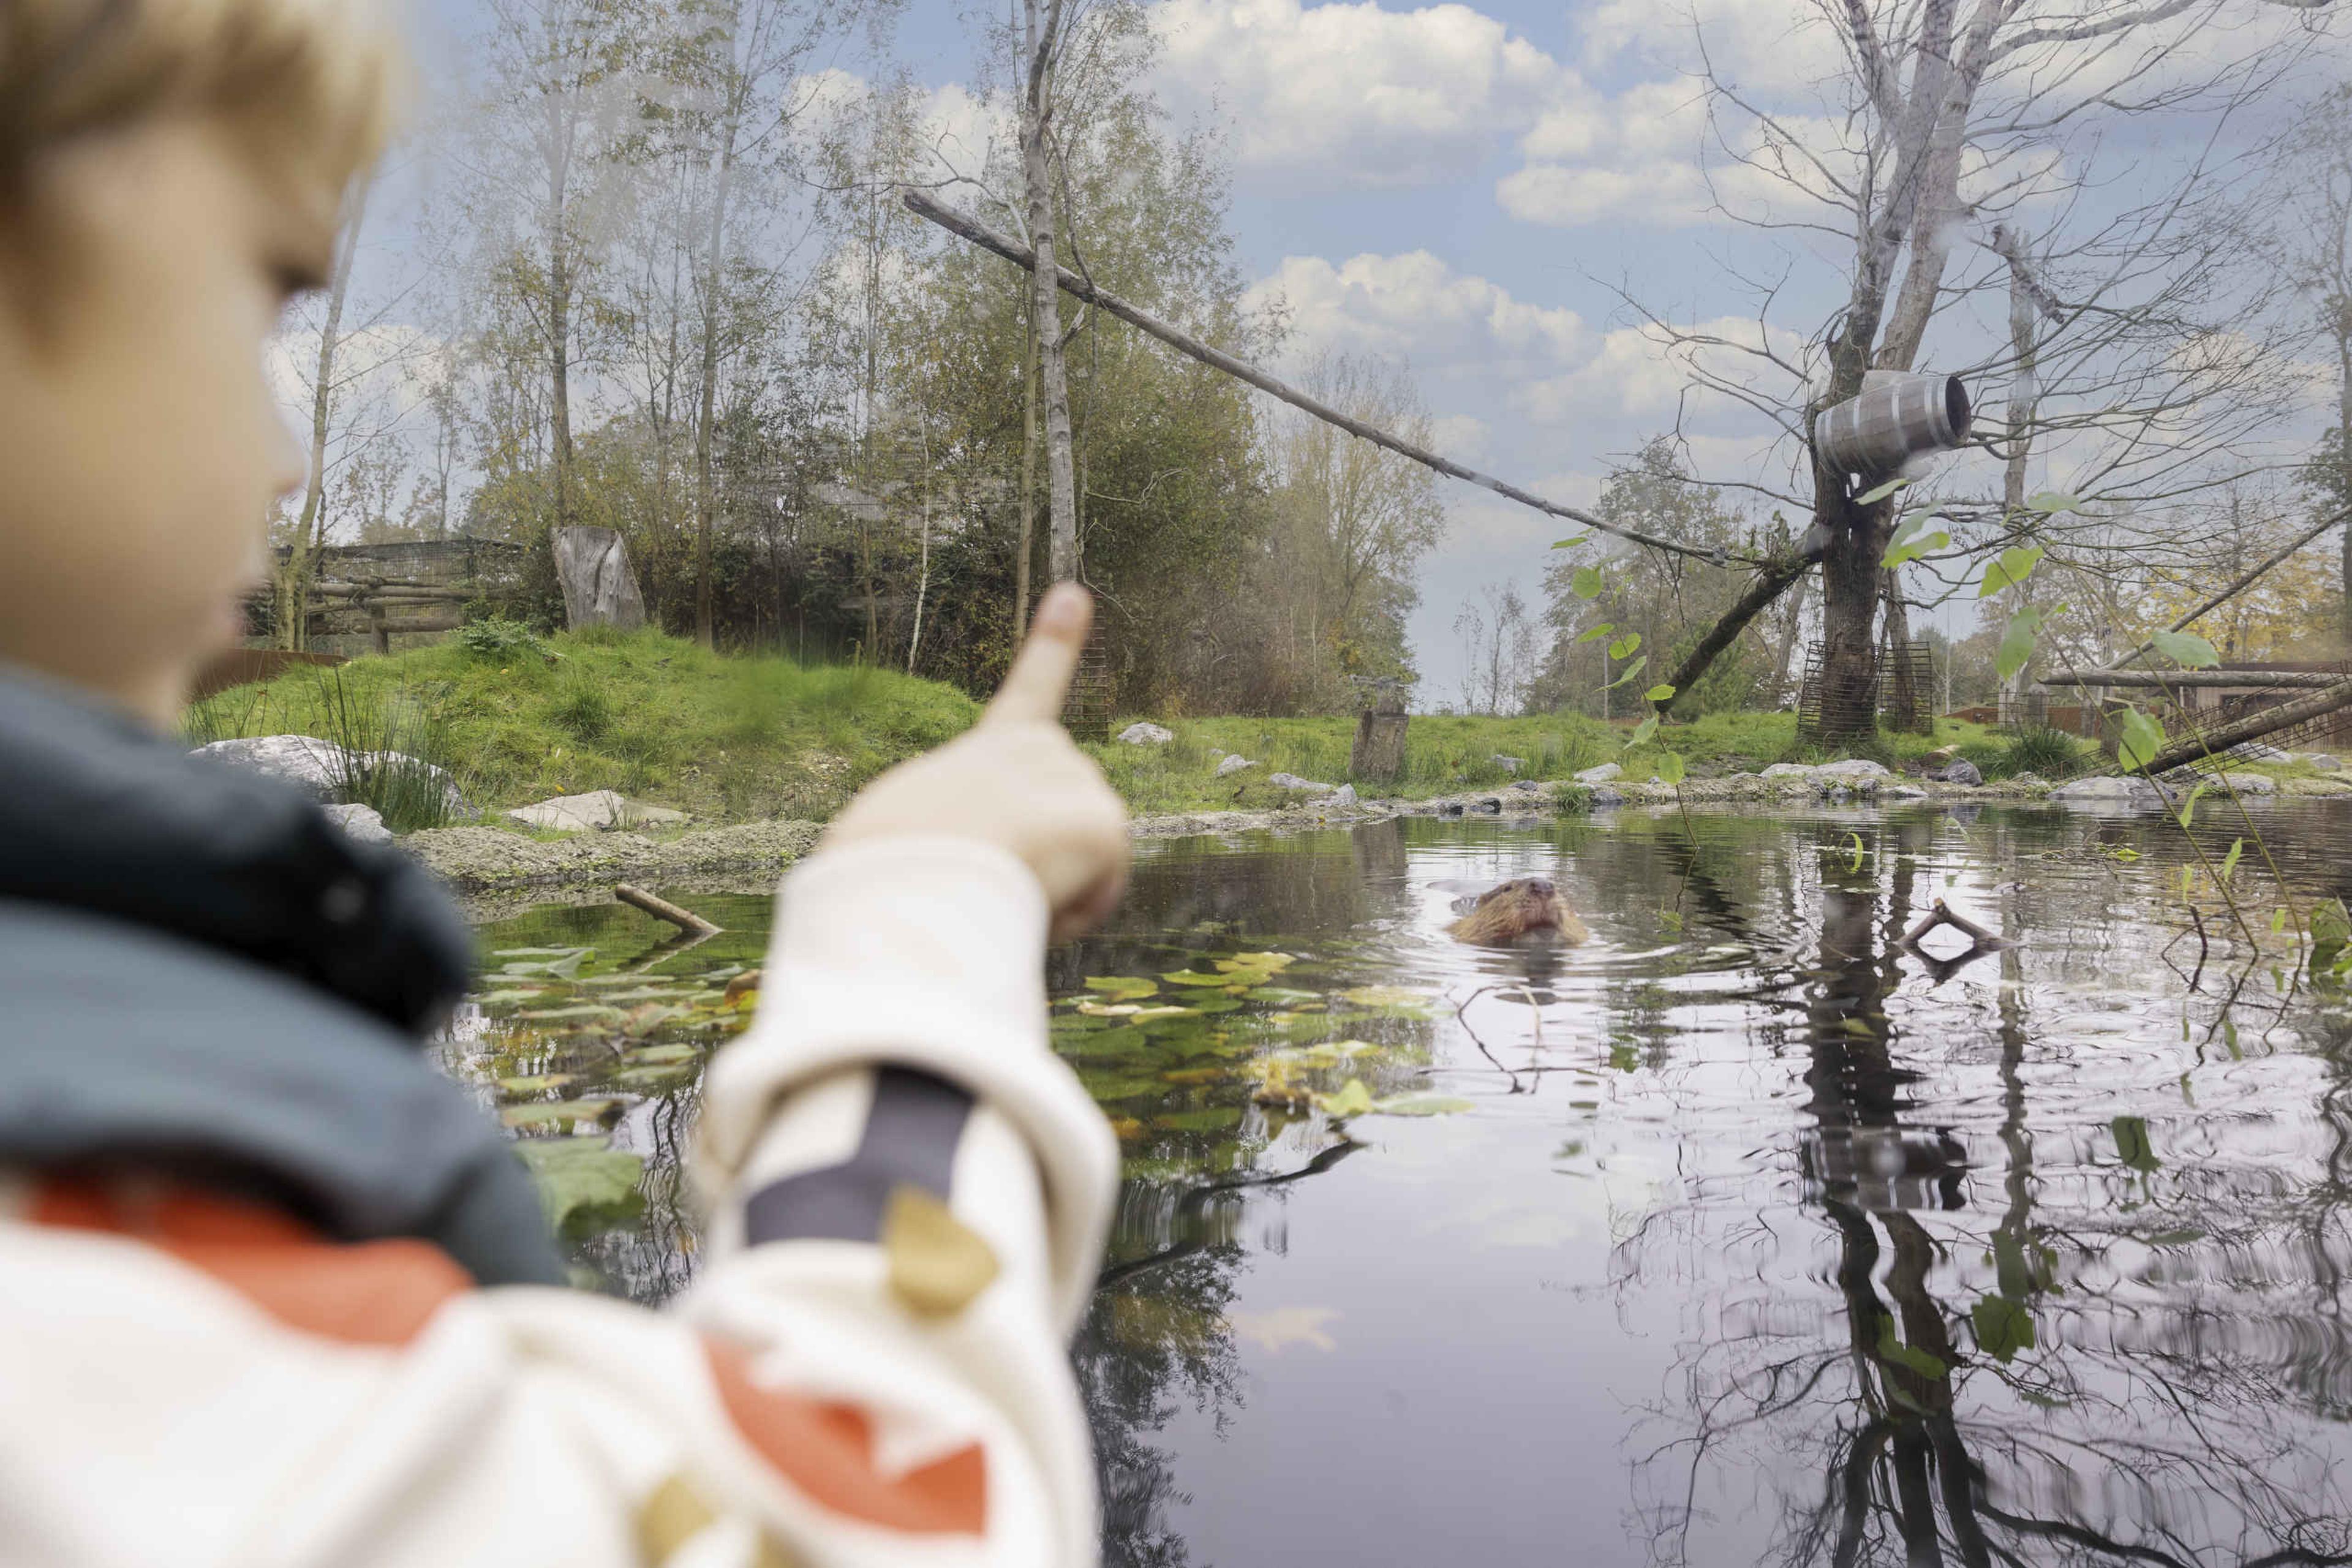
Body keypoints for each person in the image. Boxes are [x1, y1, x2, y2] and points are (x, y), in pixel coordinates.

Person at [0, 1, 1130, 1562]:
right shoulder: (82, 1297)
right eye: (267, 296)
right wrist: (923, 903)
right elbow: (884, 1519)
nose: (289, 462)